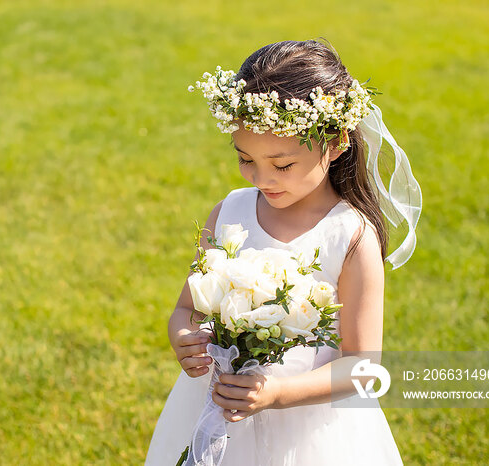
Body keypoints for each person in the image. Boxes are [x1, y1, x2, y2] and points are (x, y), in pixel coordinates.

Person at [145, 39, 421, 465]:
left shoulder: (349, 236)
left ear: (335, 142)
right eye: (245, 159)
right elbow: (187, 308)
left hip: (310, 430)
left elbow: (363, 369)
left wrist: (276, 394)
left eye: (282, 164)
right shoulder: (229, 214)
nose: (261, 178)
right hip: (218, 408)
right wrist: (184, 336)